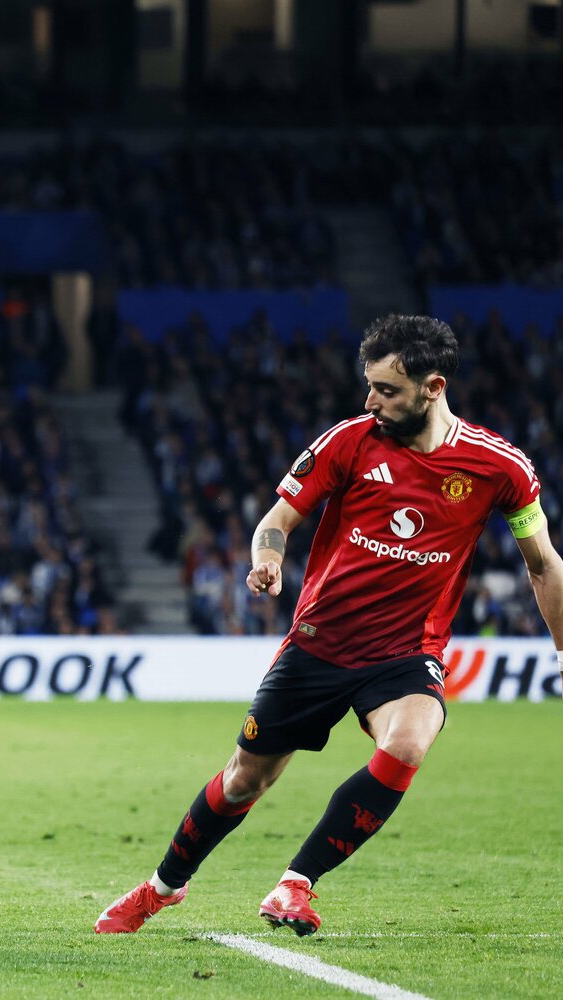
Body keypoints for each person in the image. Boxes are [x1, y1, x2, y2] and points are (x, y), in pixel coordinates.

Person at [95, 314, 563, 936]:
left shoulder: (501, 468)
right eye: (369, 386)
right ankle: (162, 888)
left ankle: (296, 883)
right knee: (243, 781)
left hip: (406, 652)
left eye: (387, 390)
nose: (371, 401)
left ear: (434, 388)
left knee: (408, 742)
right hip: (320, 645)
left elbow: (543, 564)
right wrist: (267, 559)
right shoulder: (349, 441)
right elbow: (276, 521)